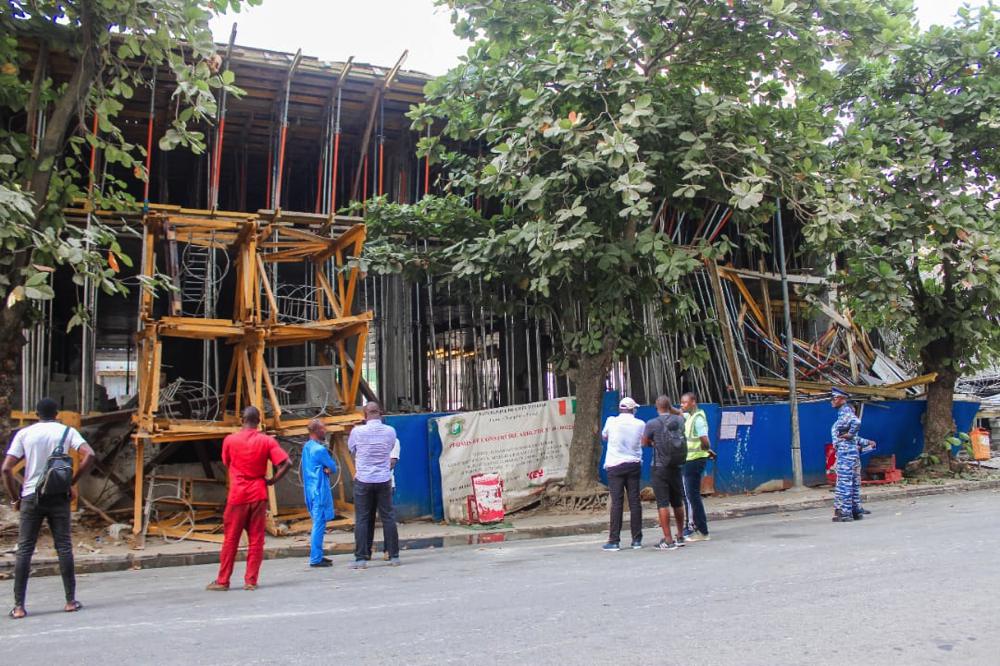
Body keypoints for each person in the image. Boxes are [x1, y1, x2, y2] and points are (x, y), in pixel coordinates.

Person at [2, 398, 95, 620]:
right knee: (64, 547)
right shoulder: (67, 432)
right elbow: (89, 454)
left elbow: (6, 469)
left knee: (25, 550)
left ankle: (19, 607)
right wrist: (72, 482)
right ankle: (70, 601)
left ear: (36, 414)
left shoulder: (25, 434)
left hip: (31, 497)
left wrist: (15, 499)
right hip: (59, 496)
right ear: (57, 414)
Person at [207, 406, 291, 591]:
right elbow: (287, 463)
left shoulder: (230, 440)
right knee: (256, 539)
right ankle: (251, 581)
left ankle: (223, 581)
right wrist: (272, 480)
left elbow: (227, 462)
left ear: (242, 420)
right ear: (259, 421)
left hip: (238, 495)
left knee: (231, 539)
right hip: (258, 493)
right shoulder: (266, 441)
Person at [348, 401, 400, 569]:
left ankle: (361, 558)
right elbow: (390, 448)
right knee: (388, 517)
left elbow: (352, 450)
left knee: (362, 519)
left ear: (365, 415)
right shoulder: (390, 431)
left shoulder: (357, 432)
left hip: (363, 479)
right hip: (384, 479)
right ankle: (393, 556)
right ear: (380, 413)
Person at [642, 395, 687, 550]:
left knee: (662, 503)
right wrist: (673, 409)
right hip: (676, 465)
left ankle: (668, 540)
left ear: (656, 407)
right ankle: (680, 535)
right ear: (670, 406)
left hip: (659, 466)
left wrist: (653, 443)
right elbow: (681, 414)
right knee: (677, 502)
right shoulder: (679, 420)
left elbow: (644, 442)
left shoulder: (652, 423)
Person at [601, 397, 645, 551]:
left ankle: (614, 541)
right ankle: (636, 540)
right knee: (635, 501)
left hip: (615, 465)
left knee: (617, 503)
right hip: (633, 464)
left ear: (620, 409)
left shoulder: (611, 421)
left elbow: (604, 436)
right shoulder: (640, 424)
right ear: (633, 410)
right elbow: (644, 440)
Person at [301, 419, 339, 568]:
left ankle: (318, 555)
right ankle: (316, 558)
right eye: (323, 429)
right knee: (319, 524)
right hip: (319, 490)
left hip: (310, 489)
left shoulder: (307, 447)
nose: (326, 431)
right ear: (316, 431)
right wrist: (328, 468)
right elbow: (333, 467)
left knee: (318, 523)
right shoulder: (320, 450)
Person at [830, 388, 872, 522]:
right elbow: (855, 436)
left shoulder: (845, 413)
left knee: (845, 484)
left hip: (846, 454)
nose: (832, 401)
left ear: (842, 399)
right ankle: (855, 511)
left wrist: (850, 434)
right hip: (849, 453)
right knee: (852, 483)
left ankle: (846, 513)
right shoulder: (842, 415)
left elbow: (856, 423)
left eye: (834, 398)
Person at [681, 392, 713, 542]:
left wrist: (707, 449)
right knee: (691, 495)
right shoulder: (690, 416)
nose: (682, 405)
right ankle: (698, 528)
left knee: (693, 496)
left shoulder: (698, 419)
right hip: (691, 459)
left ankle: (702, 531)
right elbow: (679, 413)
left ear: (693, 402)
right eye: (681, 402)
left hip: (694, 460)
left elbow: (704, 439)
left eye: (685, 403)